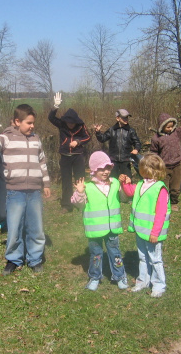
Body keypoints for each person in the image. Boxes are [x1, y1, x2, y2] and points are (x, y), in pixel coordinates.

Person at [0, 106, 51, 275]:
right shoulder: (6, 138)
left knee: (36, 227)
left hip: (34, 192)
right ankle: (14, 258)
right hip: (15, 192)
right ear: (18, 122)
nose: (32, 126)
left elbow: (42, 161)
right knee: (14, 227)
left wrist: (46, 183)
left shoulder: (36, 139)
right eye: (29, 123)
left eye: (33, 123)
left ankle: (35, 258)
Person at [71, 151, 128, 291]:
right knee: (96, 255)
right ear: (94, 170)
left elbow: (125, 198)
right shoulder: (87, 187)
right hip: (95, 229)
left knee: (115, 254)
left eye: (108, 168)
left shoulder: (115, 183)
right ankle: (95, 277)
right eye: (101, 169)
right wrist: (79, 192)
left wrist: (125, 186)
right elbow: (78, 204)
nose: (105, 171)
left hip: (112, 227)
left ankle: (120, 276)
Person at [121, 153, 170, 297]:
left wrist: (155, 233)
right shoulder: (142, 184)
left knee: (155, 259)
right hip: (141, 229)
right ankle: (142, 281)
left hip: (153, 233)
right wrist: (126, 183)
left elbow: (161, 214)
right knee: (143, 257)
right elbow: (130, 192)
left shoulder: (159, 188)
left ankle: (159, 285)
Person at [48, 92, 91, 213]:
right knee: (66, 181)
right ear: (65, 121)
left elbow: (88, 137)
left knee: (80, 180)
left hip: (77, 156)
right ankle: (66, 205)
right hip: (65, 156)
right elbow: (51, 118)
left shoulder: (81, 126)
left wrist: (78, 142)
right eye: (69, 122)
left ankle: (81, 202)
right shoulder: (61, 124)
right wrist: (55, 107)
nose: (71, 125)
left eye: (73, 123)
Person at [150, 113, 181, 211]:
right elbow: (154, 153)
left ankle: (174, 202)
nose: (170, 129)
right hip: (163, 167)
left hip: (176, 165)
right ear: (162, 126)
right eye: (168, 127)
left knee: (175, 187)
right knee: (163, 187)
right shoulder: (156, 139)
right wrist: (156, 165)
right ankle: (163, 203)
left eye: (171, 126)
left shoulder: (176, 133)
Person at [94, 109, 141, 179]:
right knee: (113, 181)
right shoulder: (112, 130)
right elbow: (102, 139)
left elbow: (137, 142)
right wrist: (98, 132)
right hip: (113, 161)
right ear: (117, 118)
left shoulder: (131, 131)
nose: (126, 119)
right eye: (124, 117)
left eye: (127, 117)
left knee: (127, 182)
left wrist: (136, 149)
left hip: (126, 161)